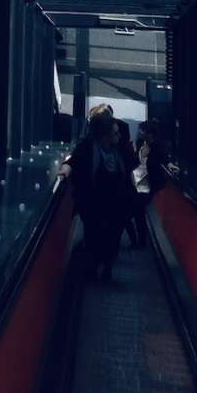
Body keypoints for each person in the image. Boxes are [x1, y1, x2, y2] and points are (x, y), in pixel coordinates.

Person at [68, 111, 132, 281]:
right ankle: (93, 268)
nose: (119, 136)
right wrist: (67, 167)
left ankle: (105, 266)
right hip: (94, 207)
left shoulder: (122, 150)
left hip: (116, 208)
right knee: (94, 238)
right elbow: (74, 162)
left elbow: (132, 169)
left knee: (112, 239)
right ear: (105, 136)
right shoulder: (87, 149)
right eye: (115, 133)